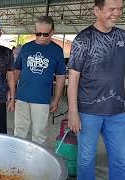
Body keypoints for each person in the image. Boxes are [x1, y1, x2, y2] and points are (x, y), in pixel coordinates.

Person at [67, 0, 125, 179]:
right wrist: (73, 111)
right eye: (112, 9)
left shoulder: (123, 37)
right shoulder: (83, 39)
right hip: (88, 113)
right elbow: (73, 77)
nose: (117, 13)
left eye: (120, 9)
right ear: (97, 10)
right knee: (85, 160)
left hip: (118, 111)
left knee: (121, 160)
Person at [13, 16, 66, 144]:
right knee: (19, 131)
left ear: (52, 32)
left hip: (42, 100)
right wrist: (11, 91)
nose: (41, 37)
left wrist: (57, 99)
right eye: (38, 33)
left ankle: (36, 162)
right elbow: (16, 70)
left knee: (39, 133)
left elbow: (60, 76)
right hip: (22, 97)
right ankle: (17, 159)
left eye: (45, 34)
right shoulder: (26, 48)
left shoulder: (57, 50)